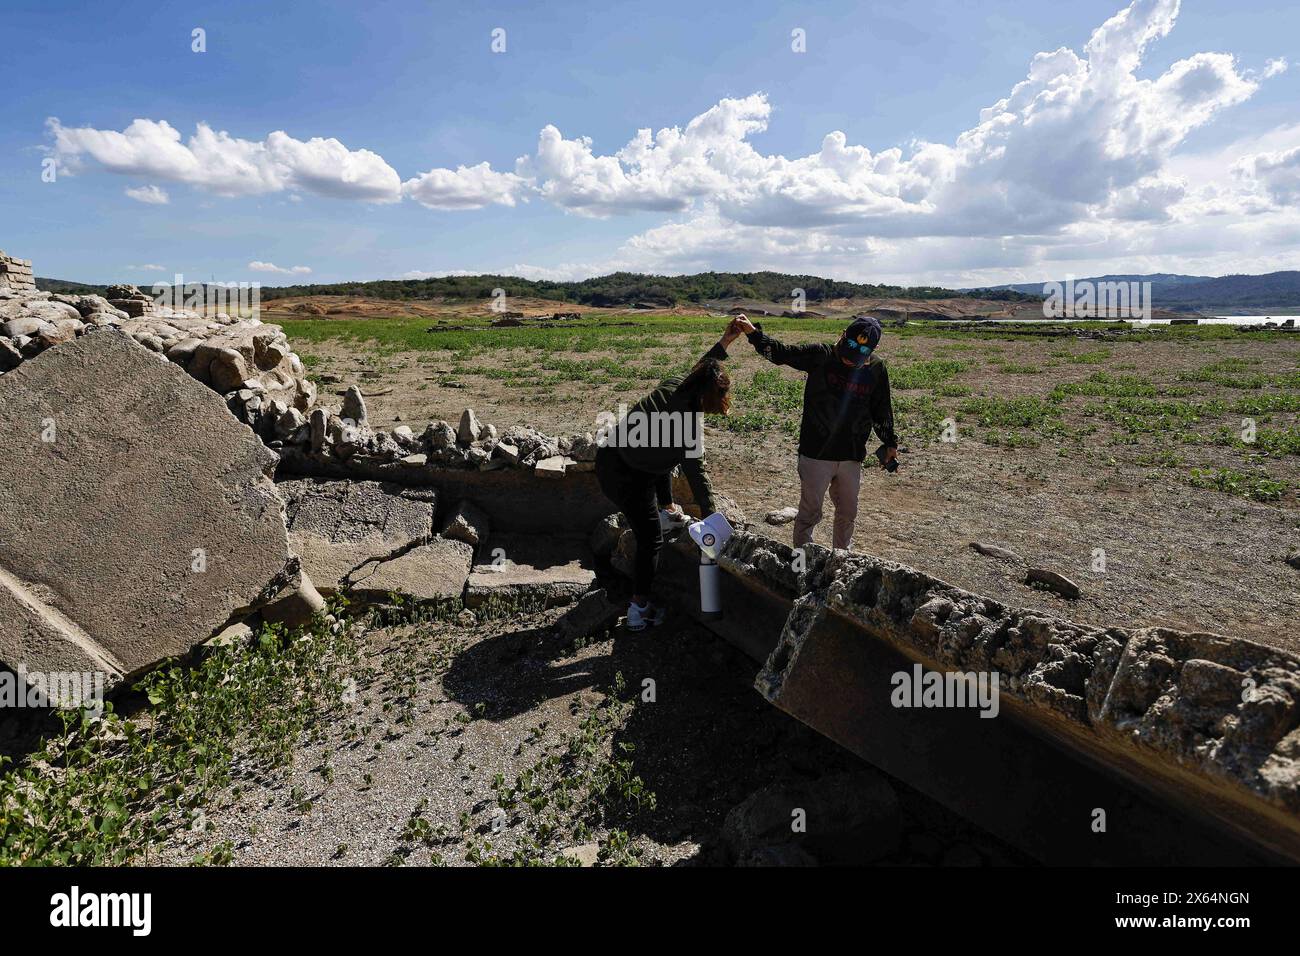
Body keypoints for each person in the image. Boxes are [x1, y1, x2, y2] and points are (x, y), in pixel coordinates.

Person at [595, 320, 743, 630]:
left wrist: (726, 341)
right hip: (624, 476)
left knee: (660, 459)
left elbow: (704, 366)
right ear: (705, 401)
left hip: (612, 455)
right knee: (651, 540)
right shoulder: (685, 429)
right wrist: (713, 521)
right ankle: (639, 609)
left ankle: (667, 509)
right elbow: (698, 477)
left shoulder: (678, 382)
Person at [733, 313, 898, 550]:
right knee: (810, 513)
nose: (852, 361)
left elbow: (881, 409)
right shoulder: (821, 356)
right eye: (849, 352)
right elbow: (781, 353)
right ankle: (803, 564)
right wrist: (753, 333)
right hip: (815, 454)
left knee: (848, 513)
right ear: (842, 335)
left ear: (873, 350)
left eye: (860, 357)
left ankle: (841, 561)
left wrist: (890, 443)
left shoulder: (877, 369)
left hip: (851, 455)